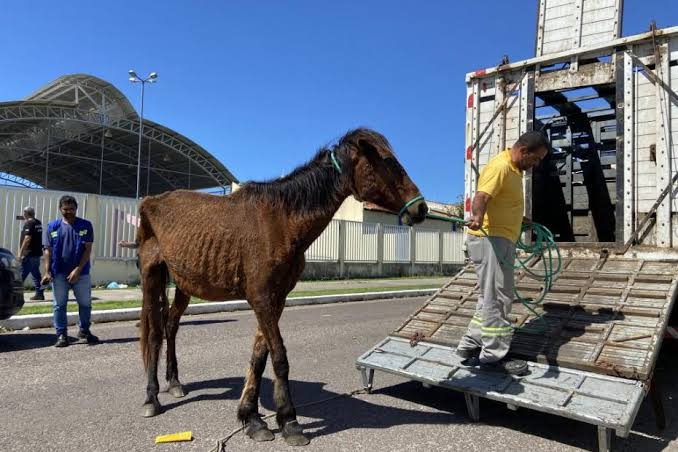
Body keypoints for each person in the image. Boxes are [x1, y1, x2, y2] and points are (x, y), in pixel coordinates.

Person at [456, 131, 549, 376]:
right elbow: (482, 197)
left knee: (490, 296)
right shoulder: (501, 167)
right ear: (524, 151)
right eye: (536, 159)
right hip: (490, 240)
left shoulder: (514, 171)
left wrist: (522, 219)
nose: (536, 164)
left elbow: (502, 201)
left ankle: (470, 345)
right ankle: (493, 356)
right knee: (498, 297)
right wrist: (477, 216)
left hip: (502, 239)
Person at [41, 195, 99, 347]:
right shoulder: (52, 226)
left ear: (76, 209)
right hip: (58, 273)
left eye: (71, 209)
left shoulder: (85, 225)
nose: (68, 212)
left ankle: (84, 330)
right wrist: (47, 271)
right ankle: (61, 335)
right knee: (59, 305)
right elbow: (47, 250)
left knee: (85, 304)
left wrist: (78, 270)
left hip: (82, 273)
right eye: (65, 209)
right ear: (60, 209)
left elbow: (87, 250)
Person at [18, 206, 45, 300]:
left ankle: (15, 296)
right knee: (36, 275)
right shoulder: (38, 222)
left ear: (26, 213)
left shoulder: (29, 223)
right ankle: (40, 294)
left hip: (29, 253)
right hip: (36, 253)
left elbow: (27, 239)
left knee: (20, 275)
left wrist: (20, 253)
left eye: (23, 213)